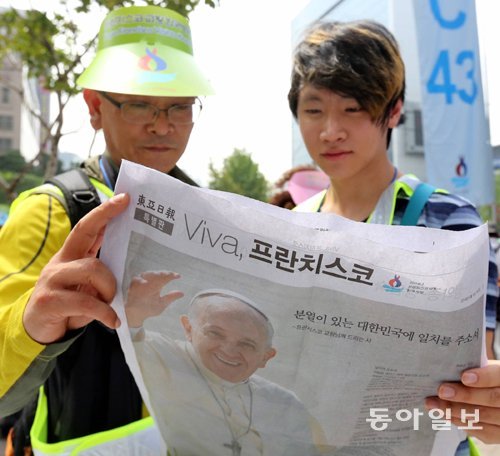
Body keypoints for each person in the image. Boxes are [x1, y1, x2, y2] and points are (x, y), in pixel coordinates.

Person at [0, 5, 213, 455]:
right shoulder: (51, 211)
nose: (162, 125)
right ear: (95, 108)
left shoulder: (207, 212)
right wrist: (34, 325)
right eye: (140, 104)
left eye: (180, 106)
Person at [287, 19, 500, 453]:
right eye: (313, 110)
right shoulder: (295, 224)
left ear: (394, 110)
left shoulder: (447, 221)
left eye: (353, 109)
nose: (330, 131)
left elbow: (476, 363)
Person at [125, 271, 323, 456]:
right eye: (215, 333)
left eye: (247, 344)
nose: (229, 350)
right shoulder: (160, 352)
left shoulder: (285, 403)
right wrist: (133, 314)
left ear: (266, 357)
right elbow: (127, 341)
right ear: (188, 329)